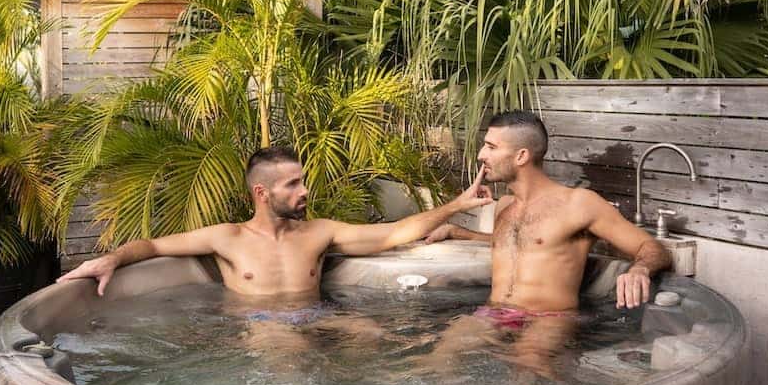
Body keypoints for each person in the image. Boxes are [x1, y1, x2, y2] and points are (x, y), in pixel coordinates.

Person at [58, 145, 493, 302]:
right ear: (262, 193)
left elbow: (397, 232)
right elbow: (152, 247)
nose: (304, 191)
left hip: (317, 327)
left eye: (302, 181)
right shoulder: (226, 238)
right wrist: (110, 259)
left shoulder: (320, 232)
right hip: (257, 336)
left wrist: (456, 205)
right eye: (293, 185)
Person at [422, 110, 671, 377]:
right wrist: (458, 232)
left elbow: (653, 248)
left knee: (529, 365)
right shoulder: (504, 206)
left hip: (550, 319)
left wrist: (639, 270)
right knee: (439, 358)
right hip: (495, 312)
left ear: (522, 156)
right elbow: (524, 248)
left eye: (491, 147)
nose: (481, 155)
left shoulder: (579, 203)